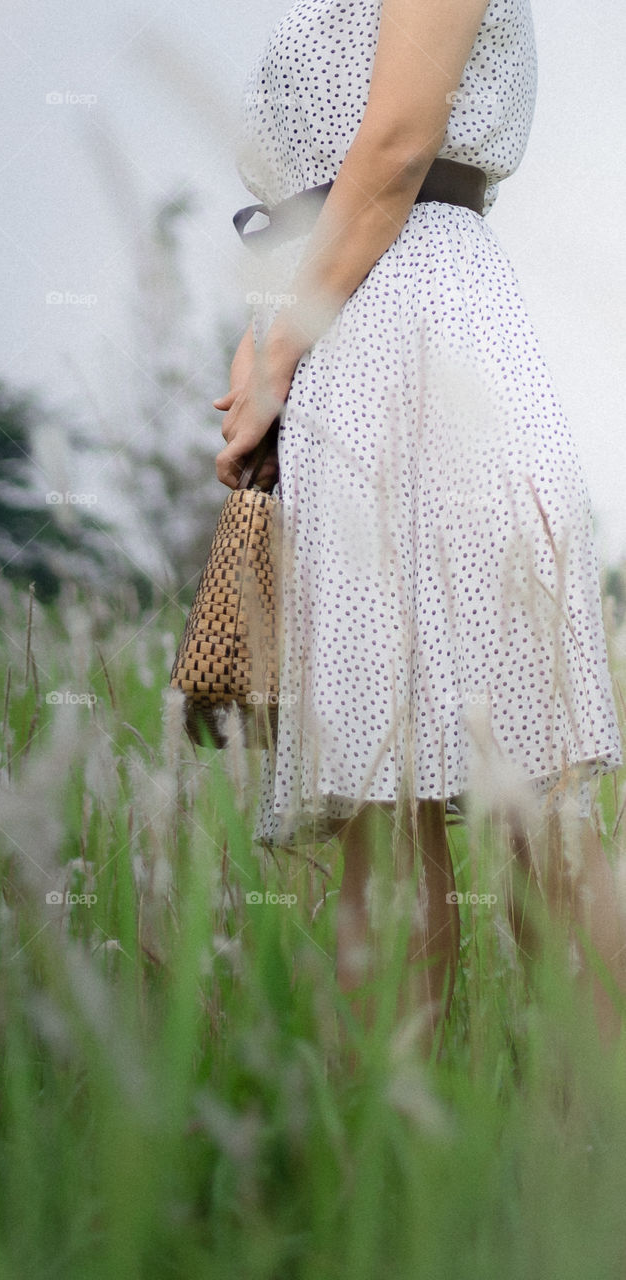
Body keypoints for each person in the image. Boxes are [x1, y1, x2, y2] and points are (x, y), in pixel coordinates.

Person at [213, 0, 625, 1046]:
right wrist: (267, 333)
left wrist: (275, 347)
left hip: (423, 321)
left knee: (528, 782)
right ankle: (390, 1169)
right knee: (374, 779)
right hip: (347, 323)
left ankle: (590, 1148)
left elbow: (395, 146)